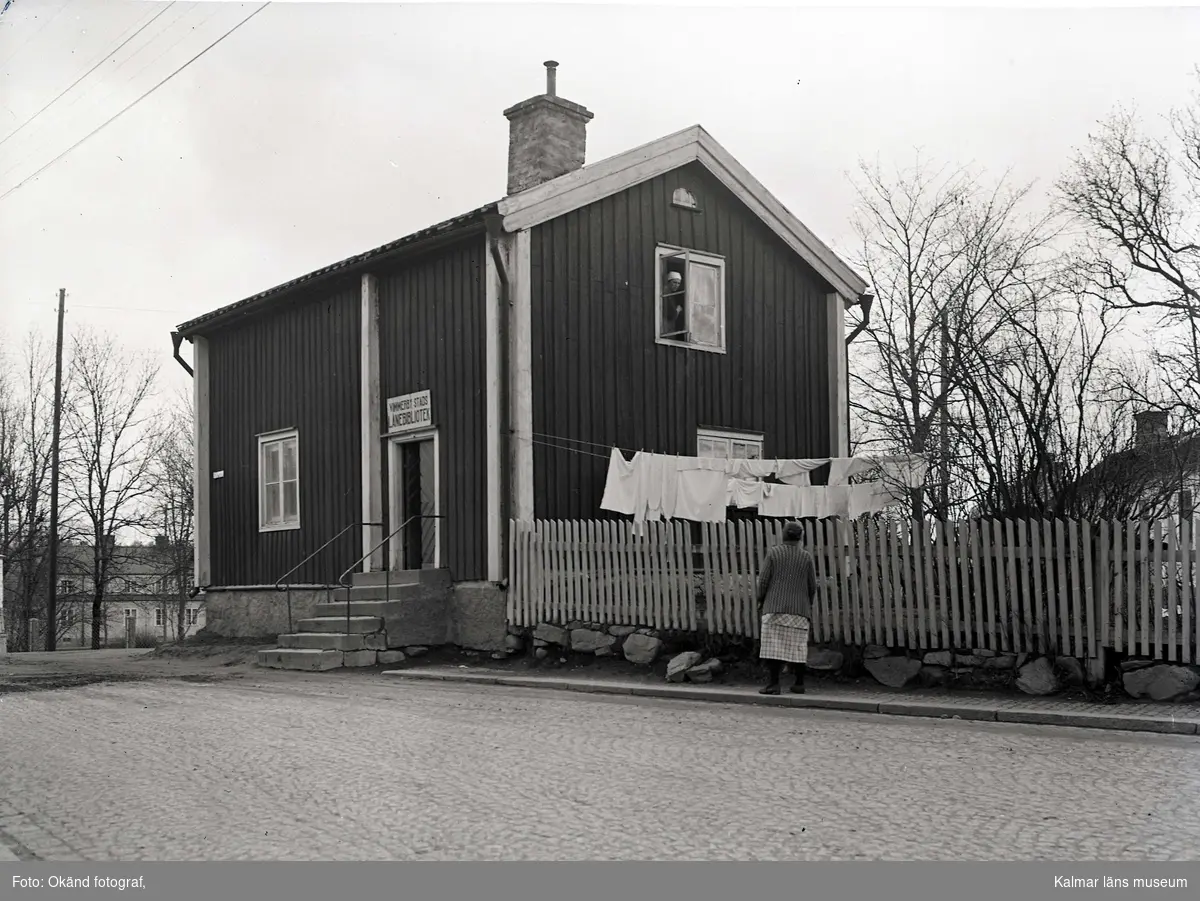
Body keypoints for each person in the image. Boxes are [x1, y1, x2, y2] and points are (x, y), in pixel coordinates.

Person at [755, 520, 818, 695]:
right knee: (798, 646)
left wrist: (760, 599)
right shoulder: (806, 557)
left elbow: (764, 581)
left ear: (783, 535)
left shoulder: (774, 553)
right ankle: (799, 683)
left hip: (774, 607)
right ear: (800, 537)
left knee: (772, 647)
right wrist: (808, 603)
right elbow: (812, 585)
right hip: (799, 610)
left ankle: (774, 684)